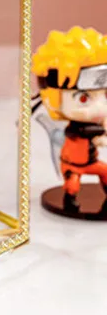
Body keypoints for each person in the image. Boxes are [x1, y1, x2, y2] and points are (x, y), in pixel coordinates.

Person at [32, 26, 107, 214]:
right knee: (72, 185)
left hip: (91, 162)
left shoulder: (98, 122)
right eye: (83, 98)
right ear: (54, 99)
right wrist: (102, 133)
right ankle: (70, 199)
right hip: (72, 166)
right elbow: (86, 132)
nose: (100, 107)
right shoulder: (76, 128)